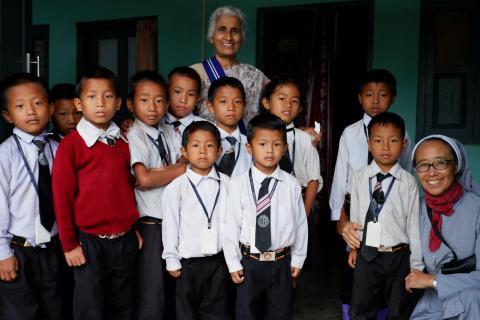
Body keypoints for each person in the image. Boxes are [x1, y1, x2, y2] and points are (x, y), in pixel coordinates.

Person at [52, 66, 141, 320]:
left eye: (108, 96)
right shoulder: (71, 145)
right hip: (89, 242)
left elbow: (127, 188)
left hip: (124, 240)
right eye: (92, 97)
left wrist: (132, 227)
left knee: (123, 304)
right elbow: (62, 197)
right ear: (79, 103)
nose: (100, 103)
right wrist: (69, 245)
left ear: (119, 102)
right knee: (90, 307)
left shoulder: (123, 140)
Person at [331, 69, 411, 319]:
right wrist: (340, 221)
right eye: (369, 94)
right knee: (355, 283)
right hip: (356, 221)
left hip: (390, 223)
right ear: (359, 98)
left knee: (390, 290)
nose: (375, 101)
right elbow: (339, 181)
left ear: (393, 98)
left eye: (382, 94)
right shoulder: (350, 133)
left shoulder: (403, 135)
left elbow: (405, 177)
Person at [223, 114, 308, 319]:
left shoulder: (291, 184)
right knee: (247, 313)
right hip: (249, 262)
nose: (270, 150)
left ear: (284, 148)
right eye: (262, 144)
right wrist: (233, 263)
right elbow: (230, 226)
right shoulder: (238, 184)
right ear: (249, 148)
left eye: (277, 144)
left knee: (281, 313)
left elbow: (300, 224)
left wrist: (298, 258)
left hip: (281, 262)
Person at [347, 112, 423, 319]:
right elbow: (355, 218)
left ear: (404, 144)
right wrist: (353, 247)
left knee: (398, 308)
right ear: (369, 144)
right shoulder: (359, 177)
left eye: (393, 140)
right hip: (367, 254)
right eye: (379, 141)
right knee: (361, 307)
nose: (386, 147)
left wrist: (416, 265)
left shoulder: (408, 182)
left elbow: (414, 225)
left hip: (399, 256)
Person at [126, 70, 187, 320]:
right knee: (152, 292)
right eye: (144, 100)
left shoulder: (169, 132)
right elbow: (145, 179)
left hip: (174, 223)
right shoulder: (133, 134)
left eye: (160, 100)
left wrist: (167, 170)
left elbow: (187, 161)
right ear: (130, 103)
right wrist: (179, 168)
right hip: (151, 225)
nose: (152, 107)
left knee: (175, 287)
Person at [0, 73, 62, 319]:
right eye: (20, 106)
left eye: (37, 103)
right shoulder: (5, 154)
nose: (31, 112)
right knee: (21, 313)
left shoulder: (59, 148)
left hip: (53, 249)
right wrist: (2, 253)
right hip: (19, 250)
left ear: (50, 107)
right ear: (7, 115)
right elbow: (0, 206)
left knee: (54, 309)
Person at [405, 135, 480, 320]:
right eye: (423, 165)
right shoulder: (416, 207)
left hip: (471, 302)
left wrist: (432, 280)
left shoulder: (476, 208)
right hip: (430, 305)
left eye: (440, 163)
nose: (431, 172)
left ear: (456, 166)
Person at [162, 121, 230, 319]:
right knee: (186, 312)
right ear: (183, 151)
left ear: (219, 150)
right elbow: (171, 225)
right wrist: (171, 258)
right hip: (188, 264)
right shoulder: (176, 187)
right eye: (195, 145)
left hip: (219, 262)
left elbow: (232, 222)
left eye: (209, 145)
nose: (202, 151)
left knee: (217, 310)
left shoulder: (227, 184)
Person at [191, 5, 269, 126]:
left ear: (241, 39)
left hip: (245, 144)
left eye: (235, 31)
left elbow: (281, 104)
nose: (228, 37)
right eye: (222, 29)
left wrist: (298, 131)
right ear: (212, 37)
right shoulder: (194, 73)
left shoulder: (255, 75)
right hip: (207, 144)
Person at [259, 76, 323, 215]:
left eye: (294, 101)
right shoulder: (257, 138)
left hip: (301, 203)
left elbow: (314, 179)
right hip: (267, 204)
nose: (288, 104)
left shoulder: (306, 139)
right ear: (266, 102)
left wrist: (304, 214)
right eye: (282, 98)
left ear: (300, 108)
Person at [207, 76, 251, 177]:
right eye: (223, 101)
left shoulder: (251, 145)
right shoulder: (201, 142)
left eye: (237, 102)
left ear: (244, 106)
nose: (231, 107)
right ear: (210, 107)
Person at [161, 66, 204, 158]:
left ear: (197, 99)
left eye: (191, 94)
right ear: (166, 93)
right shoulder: (155, 123)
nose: (183, 100)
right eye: (177, 92)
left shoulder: (205, 128)